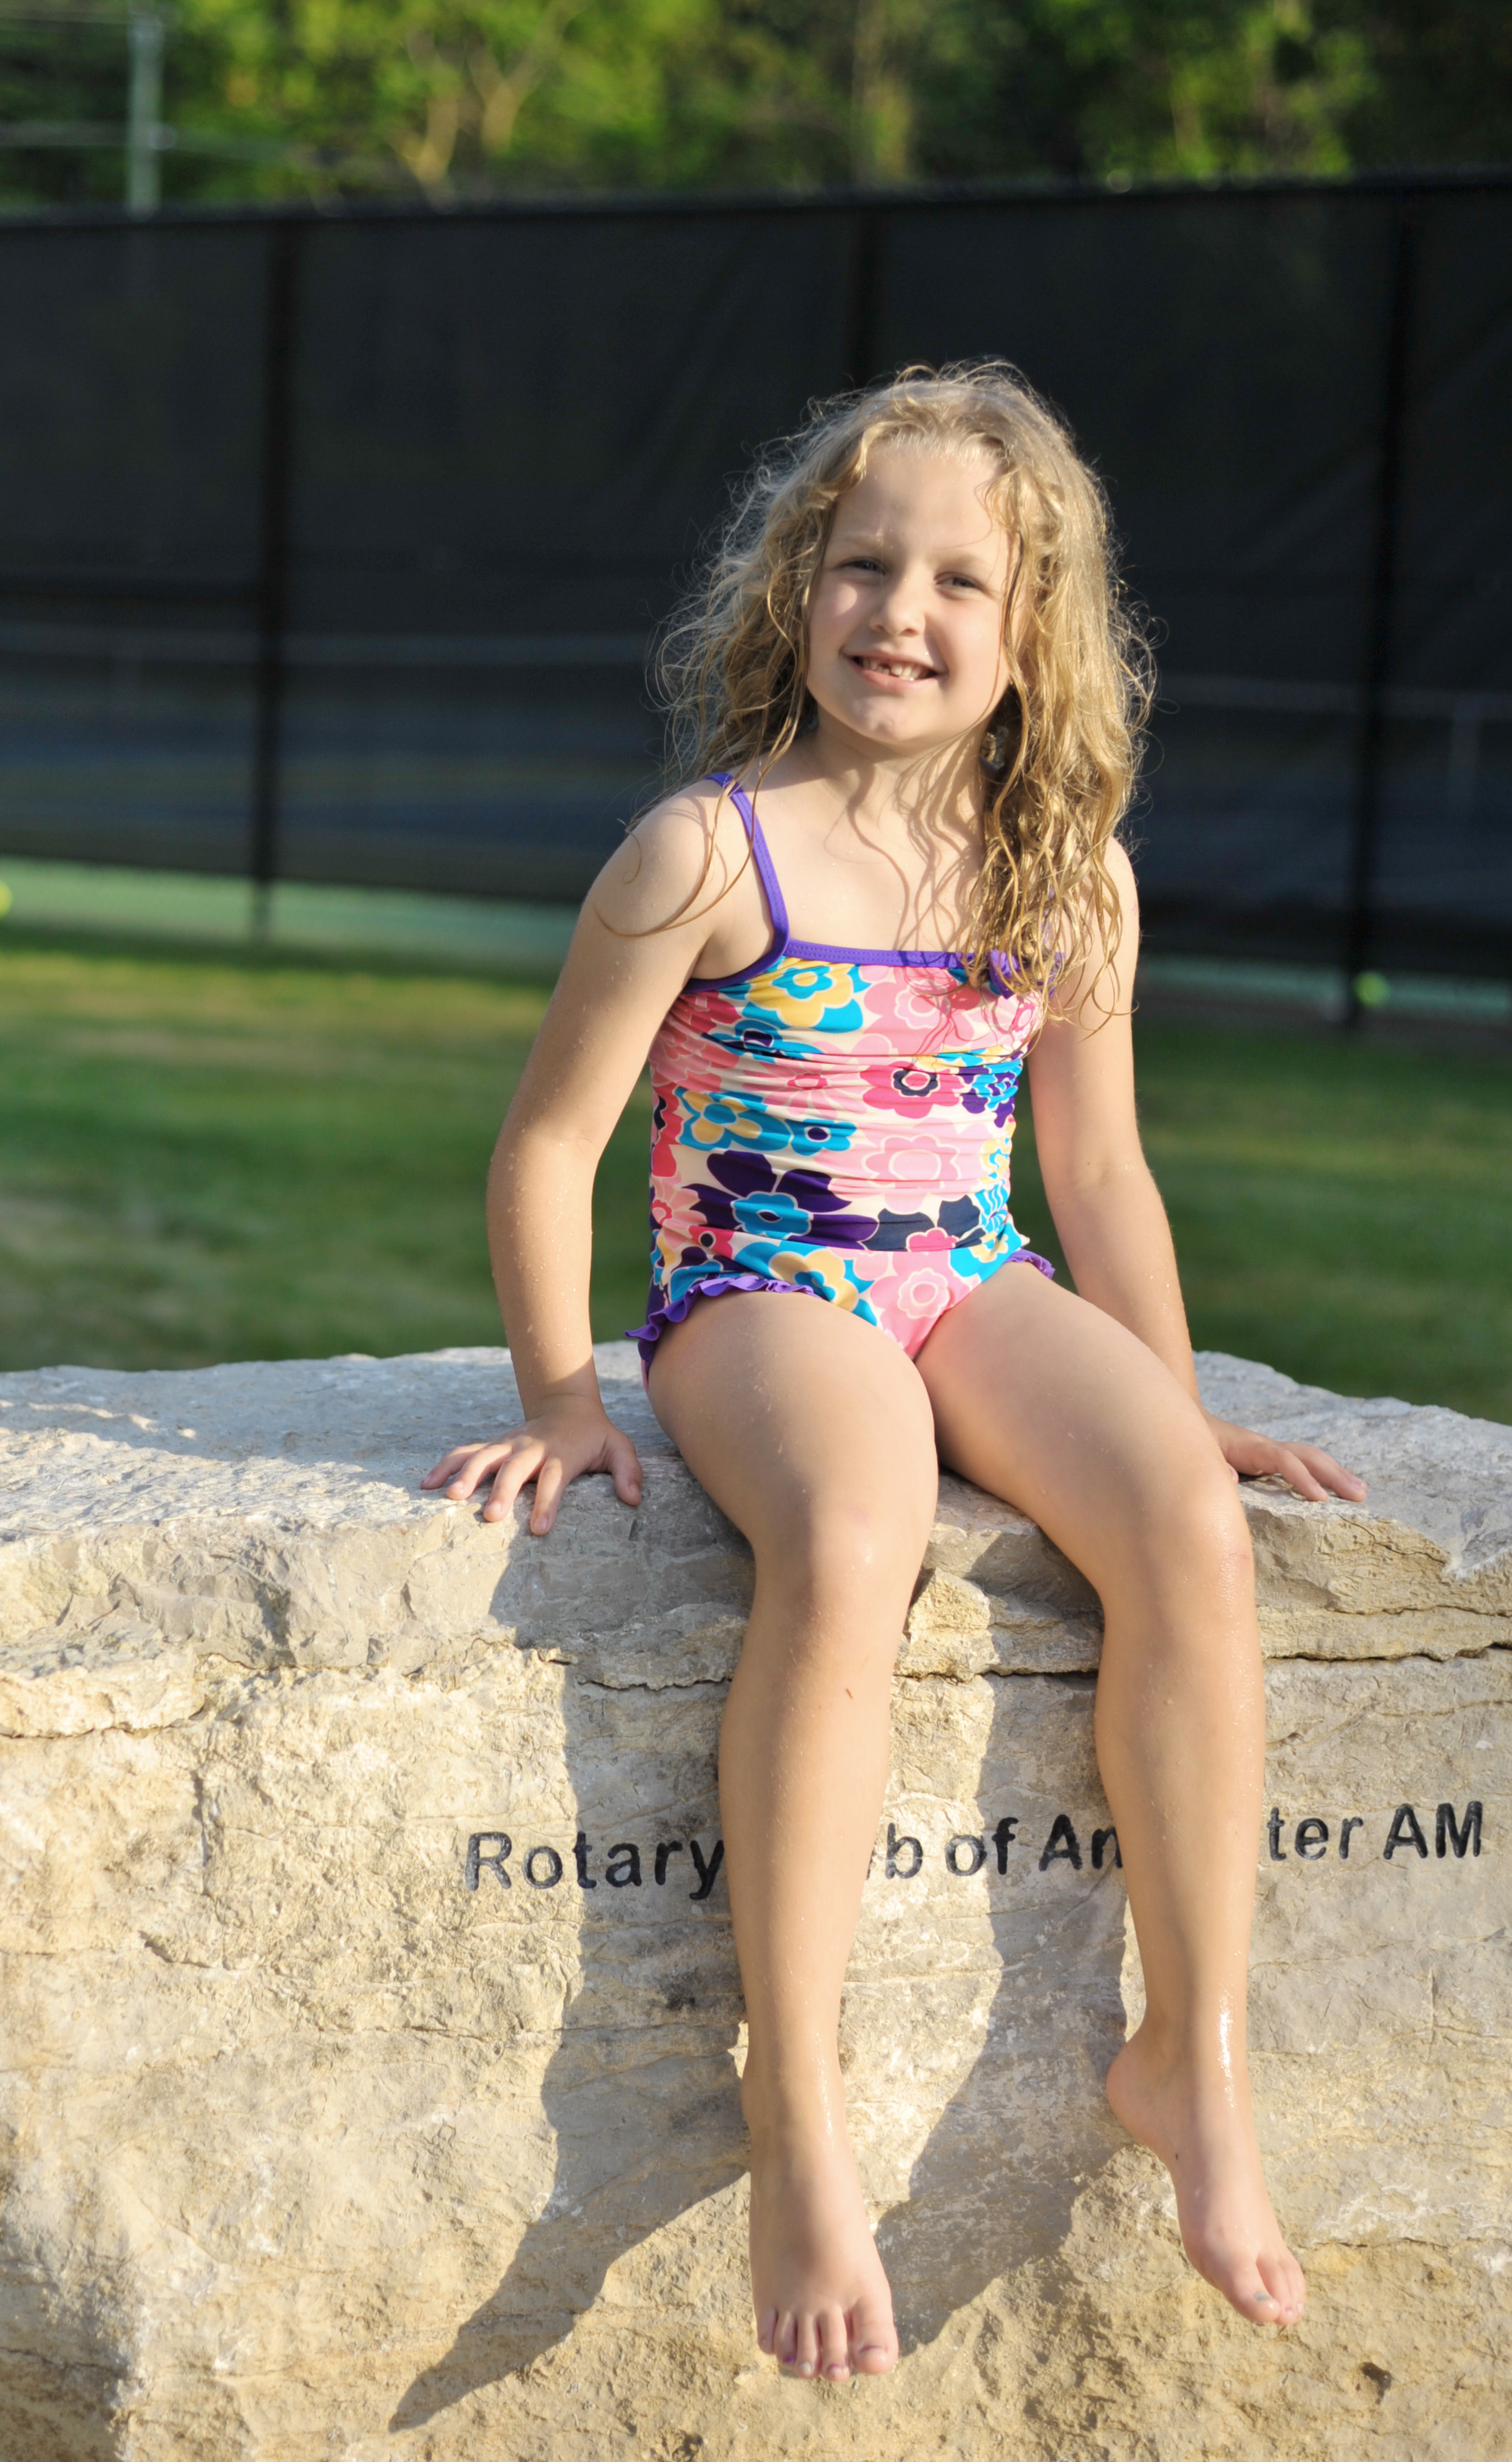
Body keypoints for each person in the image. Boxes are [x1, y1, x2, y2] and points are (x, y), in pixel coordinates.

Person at [423, 363, 1366, 2387]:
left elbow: (1097, 1176)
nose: (899, 613)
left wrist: (1169, 1398)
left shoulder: (1066, 869)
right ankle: (798, 2112)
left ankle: (1191, 2062)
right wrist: (563, 1394)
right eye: (862, 564)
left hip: (968, 1275)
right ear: (797, 587)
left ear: (1036, 634)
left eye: (958, 581)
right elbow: (548, 1144)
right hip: (763, 1291)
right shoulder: (705, 853)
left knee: (1184, 1525)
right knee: (857, 1535)